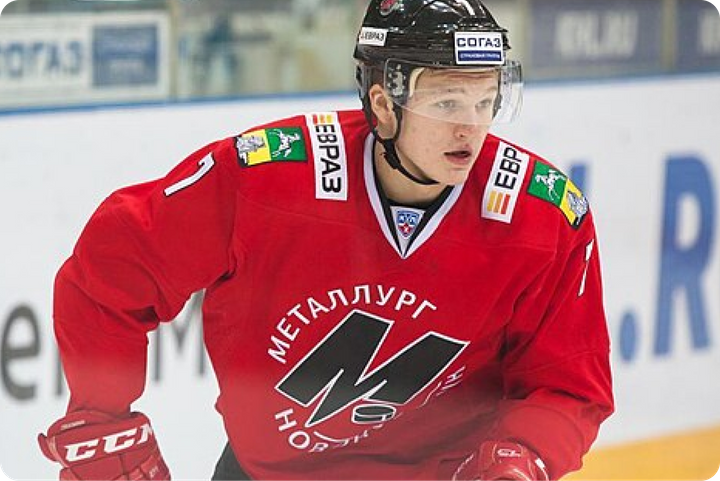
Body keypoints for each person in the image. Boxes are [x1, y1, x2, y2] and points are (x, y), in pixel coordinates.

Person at [38, 1, 614, 480]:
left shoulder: (542, 217)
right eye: (446, 103)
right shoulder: (266, 180)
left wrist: (523, 457)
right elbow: (112, 272)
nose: (471, 127)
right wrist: (102, 417)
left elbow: (567, 384)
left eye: (485, 102)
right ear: (383, 104)